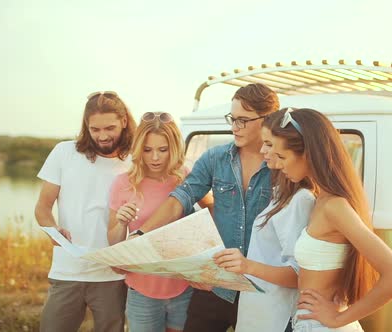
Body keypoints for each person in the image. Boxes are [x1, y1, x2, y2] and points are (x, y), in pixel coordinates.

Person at [135, 83, 280, 332]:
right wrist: (140, 235)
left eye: (243, 120)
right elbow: (182, 196)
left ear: (267, 120)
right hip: (216, 285)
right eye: (233, 119)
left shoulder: (283, 167)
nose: (235, 127)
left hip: (265, 289)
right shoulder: (215, 158)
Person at [268, 108, 392, 331]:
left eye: (281, 156)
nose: (277, 165)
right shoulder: (321, 199)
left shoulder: (335, 206)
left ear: (307, 153)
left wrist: (338, 319)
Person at [35, 91, 137, 332]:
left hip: (113, 275)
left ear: (124, 121)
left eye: (110, 128)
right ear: (86, 126)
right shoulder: (64, 152)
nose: (102, 136)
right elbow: (42, 206)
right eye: (95, 129)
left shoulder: (135, 160)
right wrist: (53, 231)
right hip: (68, 270)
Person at [214, 110, 315, 332]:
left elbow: (299, 275)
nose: (263, 150)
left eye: (269, 144)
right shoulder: (281, 192)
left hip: (278, 317)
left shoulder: (302, 200)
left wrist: (247, 265)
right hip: (261, 309)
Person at [107, 112, 193, 332]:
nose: (155, 157)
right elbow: (113, 244)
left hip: (184, 287)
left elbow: (212, 210)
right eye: (147, 150)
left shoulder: (185, 177)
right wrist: (122, 223)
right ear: (138, 150)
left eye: (162, 150)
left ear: (173, 148)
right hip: (142, 290)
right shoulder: (123, 183)